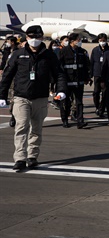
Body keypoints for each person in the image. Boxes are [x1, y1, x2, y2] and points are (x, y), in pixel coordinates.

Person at [0, 25, 67, 171]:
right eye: (31, 37)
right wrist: (2, 95)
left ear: (42, 37)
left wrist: (61, 90)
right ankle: (19, 158)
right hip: (21, 97)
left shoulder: (49, 56)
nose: (34, 40)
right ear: (26, 38)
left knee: (36, 129)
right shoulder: (18, 54)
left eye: (37, 37)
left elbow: (59, 74)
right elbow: (7, 75)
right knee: (21, 127)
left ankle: (32, 156)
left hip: (41, 98)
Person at [58, 33, 92, 129]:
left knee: (79, 102)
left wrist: (87, 78)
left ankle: (80, 121)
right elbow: (59, 67)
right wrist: (61, 81)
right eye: (78, 39)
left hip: (79, 81)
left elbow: (86, 66)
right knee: (66, 102)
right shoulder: (63, 51)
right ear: (72, 41)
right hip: (67, 81)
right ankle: (65, 120)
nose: (80, 41)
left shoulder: (82, 52)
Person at [90, 33, 109, 118]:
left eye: (103, 40)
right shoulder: (95, 50)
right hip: (97, 74)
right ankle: (97, 106)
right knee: (96, 92)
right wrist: (90, 74)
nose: (102, 42)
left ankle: (101, 109)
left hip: (106, 75)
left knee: (105, 93)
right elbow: (92, 62)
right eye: (100, 41)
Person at [0, 36, 19, 127]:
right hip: (9, 77)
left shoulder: (17, 52)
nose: (7, 42)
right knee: (12, 98)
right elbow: (4, 60)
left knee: (16, 98)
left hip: (16, 78)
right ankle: (13, 116)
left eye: (8, 41)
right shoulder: (8, 51)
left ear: (12, 42)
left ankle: (15, 116)